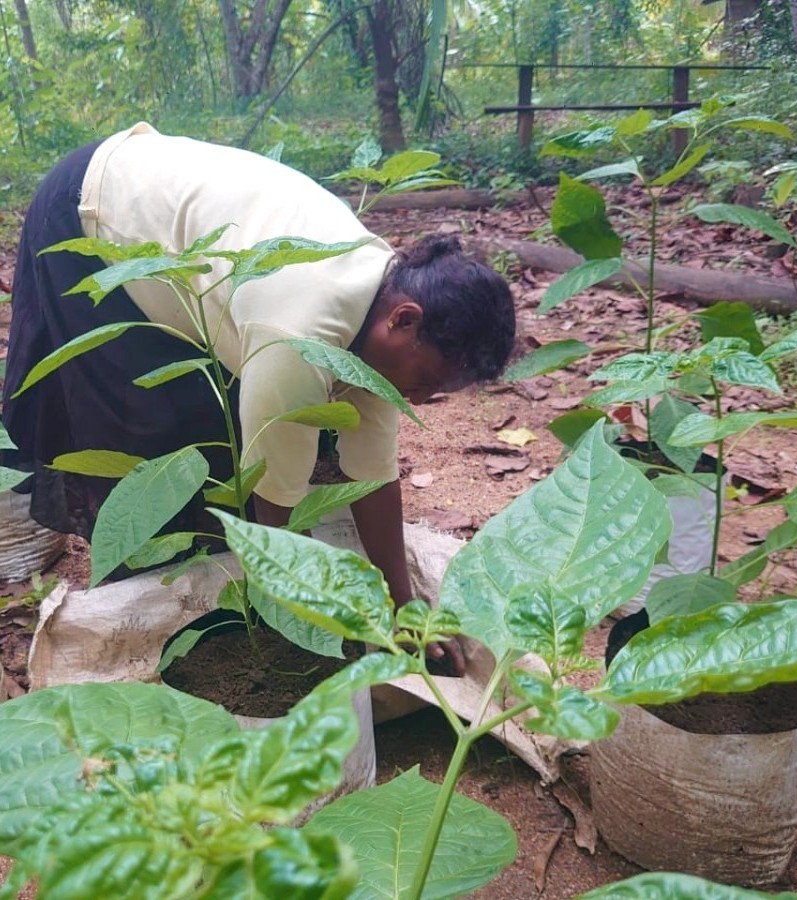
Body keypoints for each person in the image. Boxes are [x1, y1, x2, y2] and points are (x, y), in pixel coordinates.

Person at [1, 122, 517, 675]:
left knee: (216, 427)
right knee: (146, 427)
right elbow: (274, 509)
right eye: (427, 382)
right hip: (93, 214)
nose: (423, 399)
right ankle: (157, 604)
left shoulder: (388, 301)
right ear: (404, 320)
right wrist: (305, 631)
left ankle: (217, 591)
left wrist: (404, 608)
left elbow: (374, 475)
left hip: (174, 213)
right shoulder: (298, 329)